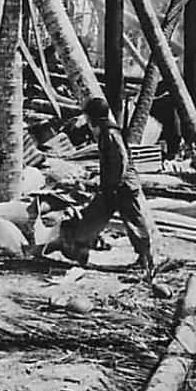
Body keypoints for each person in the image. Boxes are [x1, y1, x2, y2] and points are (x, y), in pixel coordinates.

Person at [58, 98, 158, 277]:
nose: (87, 120)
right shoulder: (107, 131)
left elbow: (121, 160)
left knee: (134, 222)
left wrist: (115, 184)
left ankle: (147, 260)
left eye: (89, 116)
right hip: (114, 186)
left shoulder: (110, 133)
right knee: (95, 216)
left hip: (122, 186)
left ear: (95, 117)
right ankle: (80, 249)